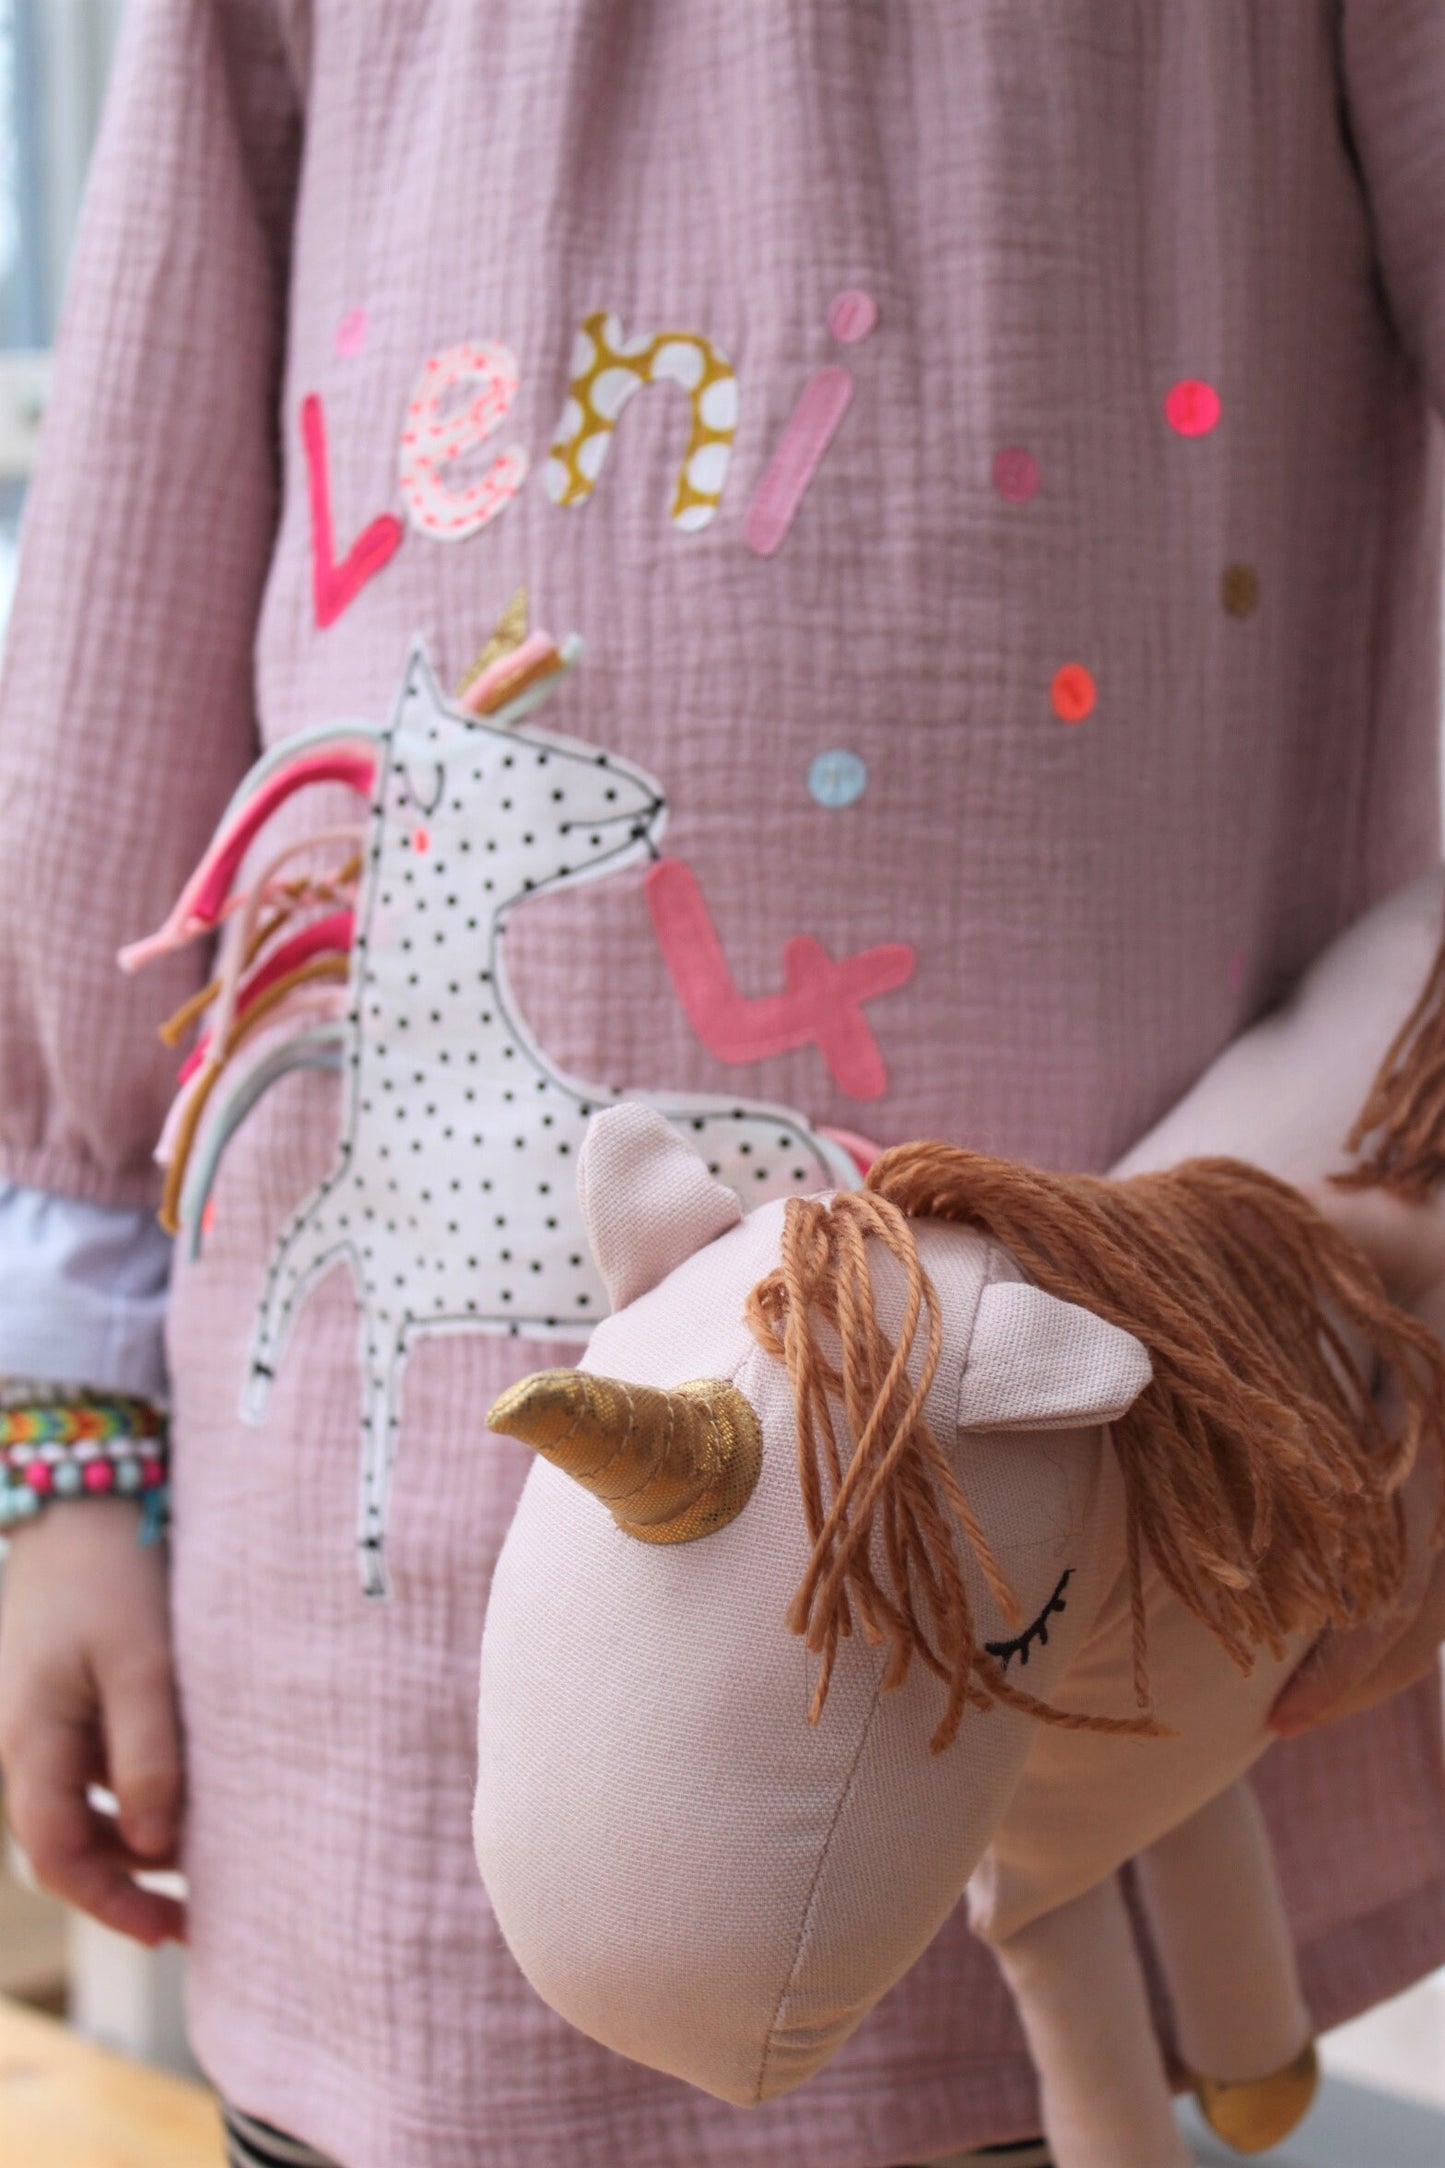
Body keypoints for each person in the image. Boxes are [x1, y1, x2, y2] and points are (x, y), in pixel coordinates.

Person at [0, 6, 1443, 2166]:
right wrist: (71, 1436)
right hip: (373, 1659)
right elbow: (128, 586)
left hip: (1072, 1556)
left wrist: (1343, 1304)